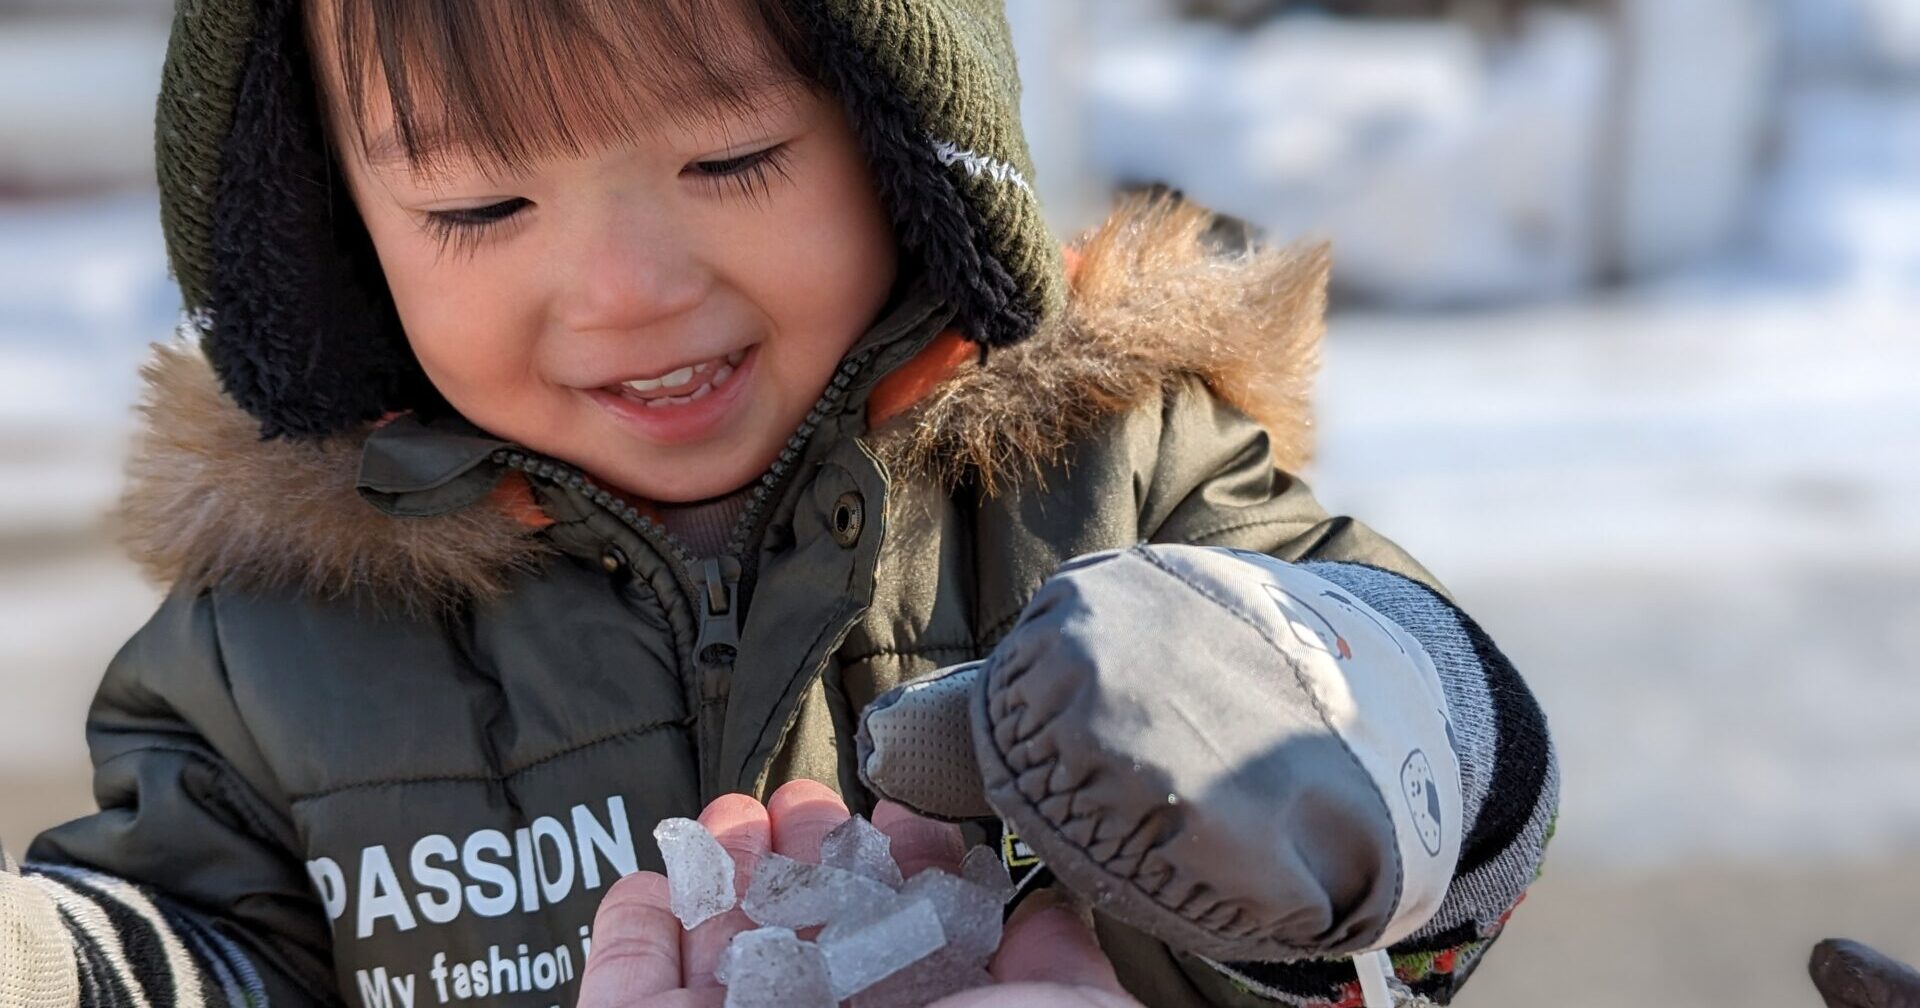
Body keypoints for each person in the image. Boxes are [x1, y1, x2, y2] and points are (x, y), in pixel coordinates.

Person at [0, 0, 1558, 1005]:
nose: (627, 289)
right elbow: (184, 960)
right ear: (333, 230)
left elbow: (1444, 855)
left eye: (732, 159)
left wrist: (1250, 725)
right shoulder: (272, 648)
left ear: (902, 140)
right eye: (481, 206)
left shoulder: (1108, 481)